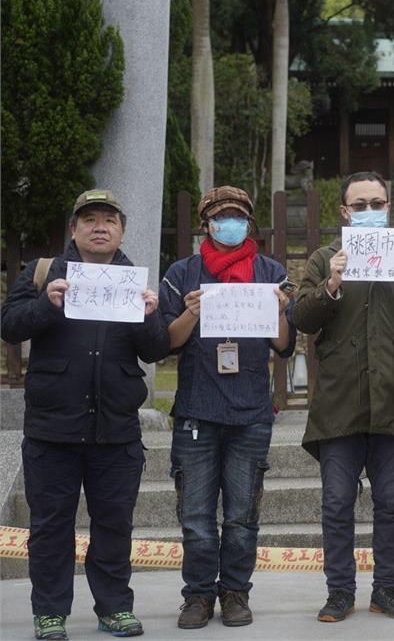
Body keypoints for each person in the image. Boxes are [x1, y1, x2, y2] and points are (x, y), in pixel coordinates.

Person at [1, 190, 169, 641]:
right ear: (73, 229)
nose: (100, 227)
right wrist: (45, 304)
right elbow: (9, 326)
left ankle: (114, 608)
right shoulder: (42, 274)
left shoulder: (134, 283)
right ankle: (49, 612)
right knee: (50, 526)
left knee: (114, 524)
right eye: (89, 219)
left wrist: (151, 316)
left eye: (109, 220)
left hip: (115, 430)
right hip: (52, 431)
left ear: (121, 230)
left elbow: (156, 350)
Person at [293, 171, 394, 624]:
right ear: (344, 211)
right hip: (340, 400)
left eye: (378, 203)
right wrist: (331, 283)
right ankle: (339, 592)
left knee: (392, 502)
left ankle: (388, 589)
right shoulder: (322, 259)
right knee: (337, 502)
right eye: (360, 205)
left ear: (389, 207)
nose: (370, 212)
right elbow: (302, 318)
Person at [160, 186, 296, 629]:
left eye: (238, 216)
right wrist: (191, 313)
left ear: (249, 223)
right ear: (206, 224)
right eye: (221, 217)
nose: (229, 223)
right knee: (196, 517)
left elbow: (284, 345)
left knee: (242, 515)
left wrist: (278, 310)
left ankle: (235, 592)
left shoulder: (271, 271)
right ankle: (197, 596)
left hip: (251, 411)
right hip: (198, 409)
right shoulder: (182, 273)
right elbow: (167, 343)